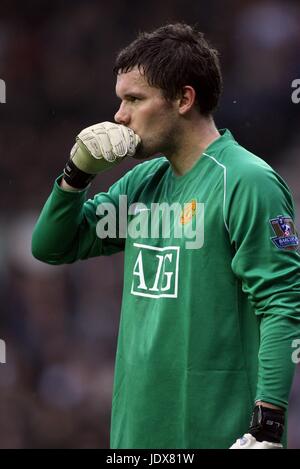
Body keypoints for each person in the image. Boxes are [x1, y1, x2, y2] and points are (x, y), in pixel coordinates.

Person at [31, 23, 300, 449]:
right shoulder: (140, 183)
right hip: (134, 437)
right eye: (120, 100)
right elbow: (50, 247)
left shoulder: (247, 182)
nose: (119, 116)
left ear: (183, 99)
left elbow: (283, 305)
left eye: (134, 99)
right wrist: (75, 176)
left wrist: (267, 425)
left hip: (219, 436)